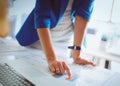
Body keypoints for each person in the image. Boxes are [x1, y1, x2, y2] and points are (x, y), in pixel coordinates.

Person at [16, 0, 95, 79]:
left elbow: (83, 15)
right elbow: (42, 16)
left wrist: (77, 55)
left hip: (64, 40)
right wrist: (51, 59)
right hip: (39, 39)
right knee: (32, 76)